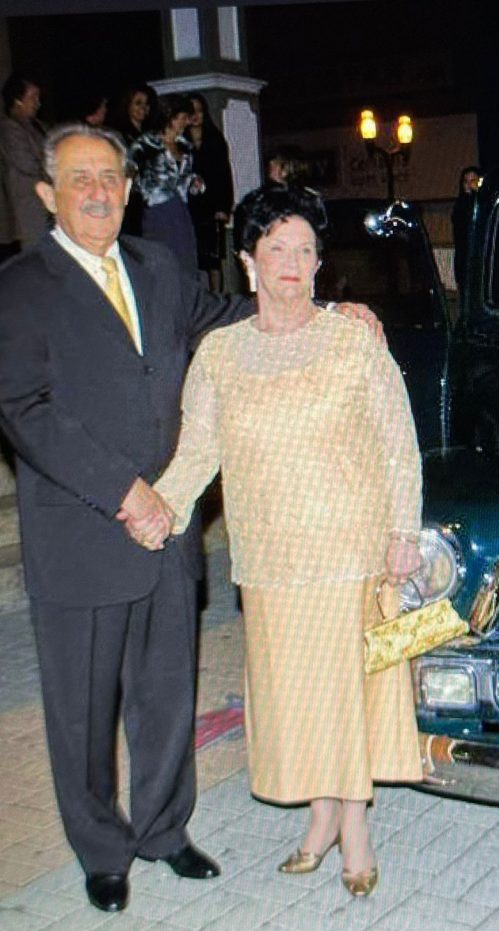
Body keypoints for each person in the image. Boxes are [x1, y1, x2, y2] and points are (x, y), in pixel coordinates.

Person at [0, 122, 380, 914]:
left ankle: (166, 830)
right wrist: (127, 489)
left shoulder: (158, 266)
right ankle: (102, 850)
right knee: (82, 710)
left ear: (130, 190)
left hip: (169, 535)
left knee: (166, 691)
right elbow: (24, 410)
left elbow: (232, 316)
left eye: (110, 176)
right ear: (47, 196)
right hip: (83, 532)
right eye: (80, 179)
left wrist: (326, 306)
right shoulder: (19, 286)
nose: (99, 191)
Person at [149, 184, 424, 898]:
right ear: (248, 262)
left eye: (305, 250)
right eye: (277, 249)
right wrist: (161, 507)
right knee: (299, 697)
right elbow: (197, 448)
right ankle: (320, 816)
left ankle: (353, 826)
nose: (293, 264)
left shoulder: (352, 337)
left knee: (347, 692)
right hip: (271, 559)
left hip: (352, 551)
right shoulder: (220, 353)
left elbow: (399, 440)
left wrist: (403, 530)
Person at [128, 94, 200, 275]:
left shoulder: (185, 147)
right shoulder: (145, 145)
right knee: (162, 261)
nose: (186, 122)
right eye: (182, 117)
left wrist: (194, 182)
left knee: (185, 260)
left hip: (181, 210)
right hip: (157, 211)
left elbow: (184, 178)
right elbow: (129, 175)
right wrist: (148, 191)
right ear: (169, 117)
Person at [185, 92, 233, 289]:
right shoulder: (181, 142)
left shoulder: (215, 139)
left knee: (213, 260)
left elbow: (224, 175)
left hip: (212, 209)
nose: (196, 115)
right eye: (191, 111)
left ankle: (217, 299)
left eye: (199, 111)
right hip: (189, 208)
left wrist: (224, 207)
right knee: (194, 258)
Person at [0, 74, 48, 247]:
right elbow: (27, 164)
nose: (38, 103)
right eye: (33, 97)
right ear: (17, 100)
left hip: (46, 206)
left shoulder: (38, 125)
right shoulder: (9, 129)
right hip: (29, 210)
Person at [450, 165, 481, 291]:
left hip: (480, 257)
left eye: (472, 181)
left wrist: (477, 193)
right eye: (465, 181)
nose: (468, 185)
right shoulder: (460, 205)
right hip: (464, 257)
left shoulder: (481, 203)